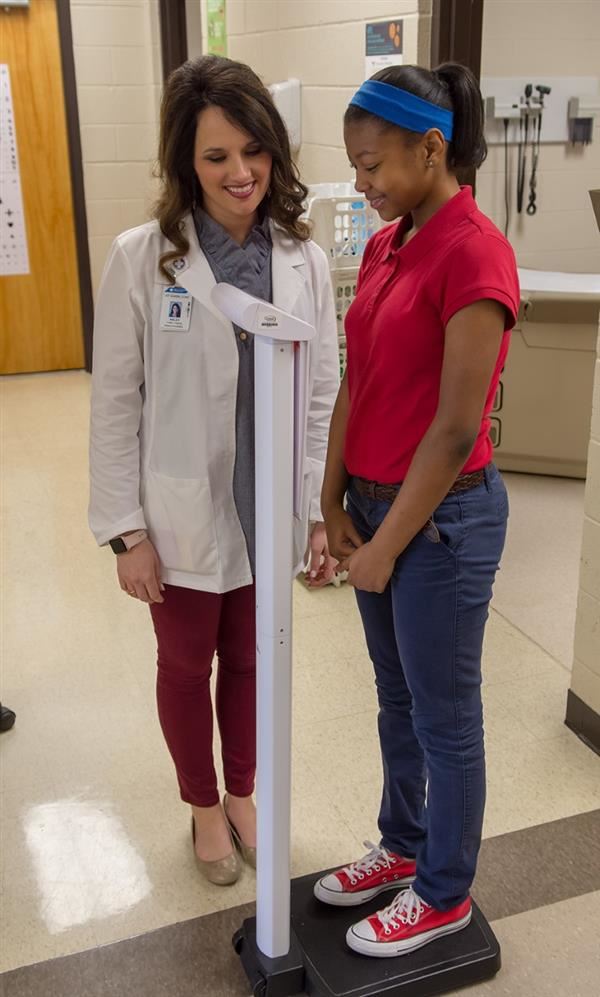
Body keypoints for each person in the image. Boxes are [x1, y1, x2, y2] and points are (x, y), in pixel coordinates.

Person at [89, 55, 339, 886]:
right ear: (183, 164)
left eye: (254, 150)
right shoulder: (144, 256)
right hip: (180, 511)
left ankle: (243, 794)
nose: (241, 173)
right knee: (184, 663)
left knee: (254, 659)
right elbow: (116, 401)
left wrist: (312, 509)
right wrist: (126, 531)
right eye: (216, 156)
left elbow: (321, 390)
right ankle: (202, 805)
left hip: (268, 506)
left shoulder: (301, 256)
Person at [314, 63, 519, 957]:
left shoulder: (475, 252)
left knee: (444, 713)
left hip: (439, 522)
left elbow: (451, 431)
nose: (362, 185)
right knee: (396, 698)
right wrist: (332, 499)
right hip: (372, 506)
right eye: (356, 167)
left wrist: (386, 546)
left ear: (430, 148)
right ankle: (402, 846)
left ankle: (443, 890)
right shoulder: (389, 244)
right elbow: (356, 378)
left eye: (371, 166)